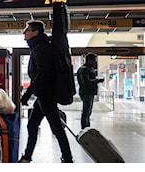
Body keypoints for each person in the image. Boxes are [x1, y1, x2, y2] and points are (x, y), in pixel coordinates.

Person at [19, 20, 73, 163]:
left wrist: (27, 94)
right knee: (33, 125)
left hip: (46, 95)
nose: (24, 32)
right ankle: (27, 156)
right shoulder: (39, 47)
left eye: (27, 30)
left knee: (56, 128)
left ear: (35, 32)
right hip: (43, 95)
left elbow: (43, 74)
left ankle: (67, 159)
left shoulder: (42, 48)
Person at [77, 52, 104, 129]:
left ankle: (86, 127)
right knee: (86, 112)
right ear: (89, 60)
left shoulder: (87, 69)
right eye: (94, 60)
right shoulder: (84, 70)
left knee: (88, 112)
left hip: (89, 92)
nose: (95, 62)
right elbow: (86, 82)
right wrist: (97, 80)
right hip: (86, 92)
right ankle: (85, 128)